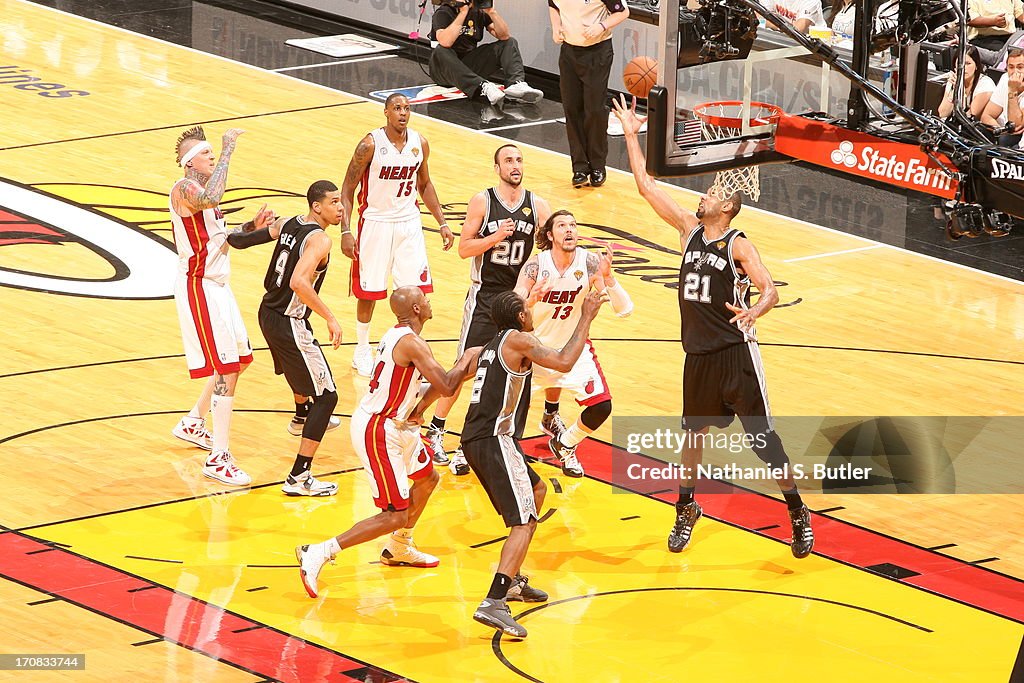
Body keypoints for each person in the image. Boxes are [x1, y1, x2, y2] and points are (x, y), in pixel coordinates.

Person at [612, 95, 814, 559]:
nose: (700, 197)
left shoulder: (739, 245)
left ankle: (797, 511)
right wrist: (630, 133)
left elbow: (770, 289)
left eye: (710, 194)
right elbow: (645, 186)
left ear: (726, 208)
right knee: (692, 437)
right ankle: (687, 507)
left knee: (763, 442)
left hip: (735, 354)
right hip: (698, 354)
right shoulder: (687, 230)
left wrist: (755, 311)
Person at [412, 289, 607, 638]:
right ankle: (494, 600)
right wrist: (587, 316)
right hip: (495, 438)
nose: (531, 314)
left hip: (474, 441)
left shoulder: (478, 351)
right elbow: (563, 361)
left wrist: (416, 411)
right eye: (527, 310)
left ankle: (512, 579)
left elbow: (448, 381)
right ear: (519, 317)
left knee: (536, 489)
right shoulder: (519, 341)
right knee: (524, 521)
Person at [294, 287, 481, 598]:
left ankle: (399, 546)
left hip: (400, 423)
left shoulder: (401, 335)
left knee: (427, 478)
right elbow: (448, 386)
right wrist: (466, 360)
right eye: (425, 299)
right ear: (418, 309)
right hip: (378, 429)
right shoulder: (411, 342)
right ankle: (320, 551)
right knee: (394, 512)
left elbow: (436, 385)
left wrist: (422, 407)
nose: (430, 301)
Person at [424, 143, 552, 476]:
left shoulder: (538, 206)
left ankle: (499, 439)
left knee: (516, 370)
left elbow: (548, 251)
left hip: (518, 298)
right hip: (485, 297)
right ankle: (435, 428)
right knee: (466, 365)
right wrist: (494, 237)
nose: (515, 165)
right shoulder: (483, 201)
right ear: (496, 168)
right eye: (508, 160)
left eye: (519, 160)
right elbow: (464, 249)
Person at [169, 125, 274, 487]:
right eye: (207, 153)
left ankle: (194, 421)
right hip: (199, 287)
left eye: (214, 152)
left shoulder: (202, 193)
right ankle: (219, 458)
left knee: (239, 361)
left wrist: (253, 226)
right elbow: (211, 199)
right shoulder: (184, 188)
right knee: (226, 365)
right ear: (189, 162)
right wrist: (229, 149)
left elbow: (222, 235)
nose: (213, 156)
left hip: (218, 287)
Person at [235, 180, 347, 497]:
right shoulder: (320, 240)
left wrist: (238, 226)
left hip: (266, 312)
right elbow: (299, 281)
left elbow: (240, 241)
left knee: (300, 375)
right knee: (327, 397)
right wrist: (330, 317)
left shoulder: (287, 222)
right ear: (317, 206)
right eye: (334, 202)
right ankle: (299, 476)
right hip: (289, 320)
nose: (340, 207)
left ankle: (301, 417)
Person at [340, 94, 455, 381]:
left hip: (409, 223)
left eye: (406, 109)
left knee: (415, 293)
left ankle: (411, 349)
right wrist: (345, 229)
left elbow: (425, 184)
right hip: (375, 222)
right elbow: (347, 188)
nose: (403, 113)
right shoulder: (369, 145)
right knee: (370, 291)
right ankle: (362, 350)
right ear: (386, 113)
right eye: (397, 109)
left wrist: (442, 222)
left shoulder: (420, 143)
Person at [513, 210, 633, 478]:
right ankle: (469, 448)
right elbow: (512, 308)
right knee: (506, 414)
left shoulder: (589, 264)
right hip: (533, 353)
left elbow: (624, 310)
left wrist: (609, 278)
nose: (569, 230)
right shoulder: (536, 266)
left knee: (602, 405)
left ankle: (565, 444)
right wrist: (530, 300)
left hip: (573, 352)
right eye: (562, 226)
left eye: (573, 225)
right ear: (550, 235)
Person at [548, 0, 630, 188]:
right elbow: (553, 5)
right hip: (569, 52)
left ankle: (598, 166)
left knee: (594, 110)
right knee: (571, 108)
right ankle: (579, 167)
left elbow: (623, 12)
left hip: (597, 52)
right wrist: (556, 26)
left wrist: (601, 26)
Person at [429, 0, 543, 106]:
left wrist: (492, 12)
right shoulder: (444, 12)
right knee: (441, 50)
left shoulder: (478, 12)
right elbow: (446, 41)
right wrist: (463, 13)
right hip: (443, 70)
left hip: (468, 64)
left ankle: (515, 84)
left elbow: (504, 36)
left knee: (509, 43)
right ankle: (481, 86)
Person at [938, 45, 996, 119]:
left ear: (976, 66)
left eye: (968, 63)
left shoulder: (986, 85)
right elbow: (943, 113)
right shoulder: (953, 81)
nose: (963, 68)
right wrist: (953, 92)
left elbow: (969, 117)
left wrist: (960, 91)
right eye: (959, 63)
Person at [982, 47, 1024, 146]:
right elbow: (987, 116)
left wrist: (1012, 90)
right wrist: (1000, 131)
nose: (1015, 72)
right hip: (1005, 133)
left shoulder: (1011, 84)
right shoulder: (1005, 78)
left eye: (1020, 67)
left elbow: (1015, 125)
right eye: (1011, 67)